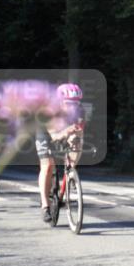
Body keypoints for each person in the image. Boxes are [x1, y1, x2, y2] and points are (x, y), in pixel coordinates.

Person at [36, 83, 85, 222]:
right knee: (47, 166)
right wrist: (66, 131)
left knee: (76, 144)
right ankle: (45, 206)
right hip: (46, 133)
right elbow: (54, 137)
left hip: (65, 130)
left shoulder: (80, 111)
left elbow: (80, 134)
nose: (73, 107)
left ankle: (69, 177)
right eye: (69, 103)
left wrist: (75, 140)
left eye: (76, 103)